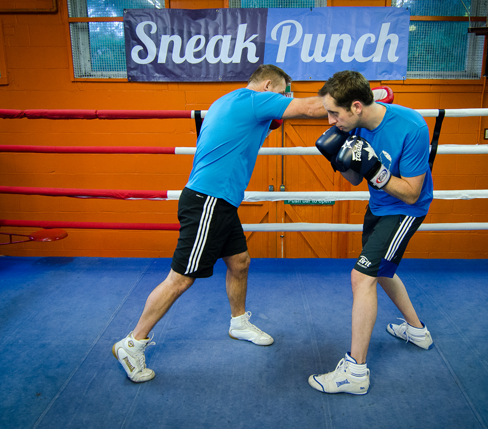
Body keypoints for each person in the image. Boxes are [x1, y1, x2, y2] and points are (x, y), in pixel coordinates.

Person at [112, 64, 330, 383]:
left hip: (218, 202)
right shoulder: (256, 100)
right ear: (268, 85)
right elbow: (311, 107)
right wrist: (357, 99)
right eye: (284, 93)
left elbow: (259, 128)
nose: (285, 99)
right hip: (208, 202)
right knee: (181, 279)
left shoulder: (227, 102)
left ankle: (238, 322)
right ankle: (132, 342)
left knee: (239, 262)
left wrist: (280, 112)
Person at [309, 70, 434, 395]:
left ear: (356, 106)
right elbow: (354, 179)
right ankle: (417, 330)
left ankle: (355, 371)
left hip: (405, 210)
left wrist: (376, 170)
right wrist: (340, 161)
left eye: (335, 113)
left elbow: (411, 192)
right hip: (378, 206)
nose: (330, 119)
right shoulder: (355, 126)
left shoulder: (412, 127)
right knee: (379, 272)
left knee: (361, 277)